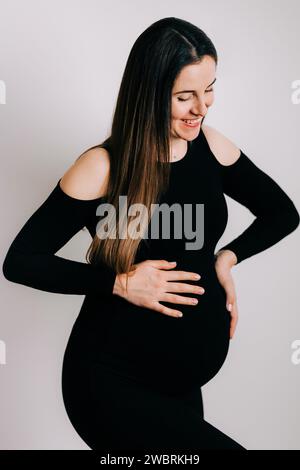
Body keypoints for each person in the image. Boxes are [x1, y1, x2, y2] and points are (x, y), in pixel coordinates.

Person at [2, 17, 299, 452]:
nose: (202, 107)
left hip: (179, 389)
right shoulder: (103, 167)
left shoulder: (211, 148)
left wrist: (228, 257)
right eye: (185, 96)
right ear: (151, 94)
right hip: (110, 384)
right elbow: (21, 260)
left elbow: (282, 213)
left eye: (209, 88)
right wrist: (119, 282)